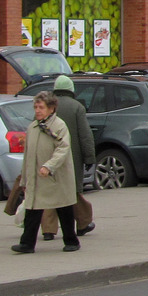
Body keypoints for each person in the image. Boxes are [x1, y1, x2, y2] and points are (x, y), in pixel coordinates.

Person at [12, 91, 80, 254]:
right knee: (32, 210)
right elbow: (28, 157)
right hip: (37, 178)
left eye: (41, 107)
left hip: (56, 177)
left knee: (64, 208)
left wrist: (49, 166)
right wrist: (25, 180)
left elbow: (63, 148)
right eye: (35, 107)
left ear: (51, 108)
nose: (37, 110)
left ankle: (71, 240)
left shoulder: (59, 126)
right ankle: (27, 244)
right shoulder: (33, 127)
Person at [40, 75, 96, 240]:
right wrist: (89, 157)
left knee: (50, 191)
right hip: (72, 156)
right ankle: (83, 223)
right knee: (73, 191)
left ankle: (48, 230)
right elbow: (85, 135)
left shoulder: (46, 107)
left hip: (49, 156)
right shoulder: (77, 107)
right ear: (71, 90)